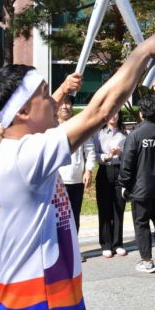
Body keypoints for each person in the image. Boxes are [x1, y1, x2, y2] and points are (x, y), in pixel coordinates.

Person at [0, 29, 155, 310]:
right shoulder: (24, 157)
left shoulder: (15, 154)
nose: (55, 102)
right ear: (22, 111)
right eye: (44, 96)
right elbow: (99, 111)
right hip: (37, 304)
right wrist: (143, 52)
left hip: (39, 298)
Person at [118, 95, 155, 274]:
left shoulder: (136, 134)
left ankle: (147, 261)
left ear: (141, 113)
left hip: (140, 187)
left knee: (141, 222)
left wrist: (123, 184)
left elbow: (127, 162)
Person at [57, 95, 96, 237]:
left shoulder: (80, 125)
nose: (64, 106)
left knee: (74, 216)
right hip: (56, 181)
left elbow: (90, 150)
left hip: (76, 179)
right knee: (58, 217)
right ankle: (60, 252)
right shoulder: (50, 127)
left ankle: (73, 251)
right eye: (61, 103)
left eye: (67, 103)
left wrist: (88, 170)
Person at [94, 111, 128, 258]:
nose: (114, 116)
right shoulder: (99, 134)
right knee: (104, 207)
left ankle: (118, 243)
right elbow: (93, 153)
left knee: (119, 207)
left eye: (116, 114)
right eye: (111, 114)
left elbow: (129, 154)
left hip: (119, 171)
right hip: (105, 170)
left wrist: (120, 153)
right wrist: (106, 156)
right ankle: (106, 243)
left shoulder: (124, 134)